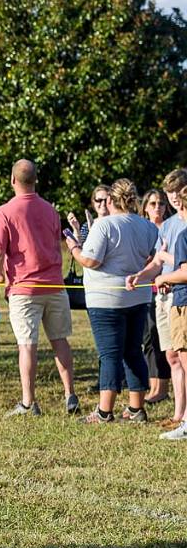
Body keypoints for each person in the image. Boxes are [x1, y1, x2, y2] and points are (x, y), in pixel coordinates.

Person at [0, 159, 79, 417]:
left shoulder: (4, 212)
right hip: (54, 285)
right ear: (35, 179)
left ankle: (28, 402)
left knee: (27, 346)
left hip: (24, 288)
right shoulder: (51, 210)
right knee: (60, 340)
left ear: (13, 180)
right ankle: (69, 393)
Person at [68, 179, 156, 424]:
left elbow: (91, 261)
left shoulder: (103, 225)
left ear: (110, 200)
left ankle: (104, 411)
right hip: (138, 295)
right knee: (133, 351)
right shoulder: (148, 226)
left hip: (106, 298)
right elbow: (150, 257)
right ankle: (136, 408)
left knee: (109, 354)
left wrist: (74, 248)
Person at [131, 169, 187, 429]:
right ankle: (178, 413)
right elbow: (156, 262)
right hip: (164, 298)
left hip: (181, 294)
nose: (174, 198)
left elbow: (177, 264)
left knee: (184, 356)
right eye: (169, 193)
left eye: (178, 192)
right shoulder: (169, 225)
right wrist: (140, 275)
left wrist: (167, 266)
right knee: (172, 357)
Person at [139, 189, 172, 405]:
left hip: (166, 291)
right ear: (145, 208)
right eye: (152, 203)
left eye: (160, 203)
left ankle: (163, 387)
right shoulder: (142, 229)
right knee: (148, 339)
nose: (157, 207)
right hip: (145, 290)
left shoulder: (170, 228)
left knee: (163, 340)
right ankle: (154, 386)